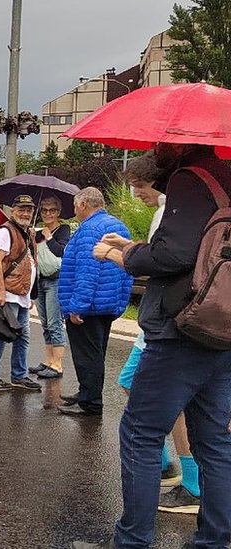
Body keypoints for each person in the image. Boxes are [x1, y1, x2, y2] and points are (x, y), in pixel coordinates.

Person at [74, 145, 231, 549]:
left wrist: (125, 252)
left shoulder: (190, 179)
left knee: (140, 434)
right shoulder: (226, 177)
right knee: (214, 442)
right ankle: (214, 541)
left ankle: (132, 541)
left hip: (182, 333)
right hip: (223, 329)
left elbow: (171, 255)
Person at [113, 152, 198, 512]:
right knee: (131, 383)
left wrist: (122, 256)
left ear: (157, 181)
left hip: (166, 324)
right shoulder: (181, 206)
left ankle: (191, 484)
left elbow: (167, 261)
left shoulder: (172, 210)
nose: (136, 194)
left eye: (139, 187)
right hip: (164, 323)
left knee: (167, 412)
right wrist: (130, 247)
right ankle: (170, 468)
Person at [56, 187, 132, 417]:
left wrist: (77, 306)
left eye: (75, 205)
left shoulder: (90, 229)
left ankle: (90, 402)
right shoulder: (118, 226)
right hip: (108, 304)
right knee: (96, 352)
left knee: (86, 355)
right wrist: (120, 303)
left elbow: (86, 273)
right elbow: (128, 268)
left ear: (84, 204)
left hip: (88, 306)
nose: (74, 209)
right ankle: (86, 392)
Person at [0, 195, 42, 392]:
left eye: (29, 209)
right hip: (9, 292)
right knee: (2, 334)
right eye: (21, 209)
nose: (25, 213)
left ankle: (19, 376)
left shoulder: (27, 233)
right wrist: (1, 290)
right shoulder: (5, 231)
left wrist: (29, 294)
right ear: (12, 210)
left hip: (21, 294)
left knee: (22, 337)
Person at [28, 196, 71, 379]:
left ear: (58, 212)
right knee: (45, 323)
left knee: (55, 323)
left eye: (52, 210)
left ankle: (57, 364)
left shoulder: (63, 229)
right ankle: (48, 360)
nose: (47, 214)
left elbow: (60, 251)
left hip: (56, 280)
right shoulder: (36, 232)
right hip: (40, 280)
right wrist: (31, 238)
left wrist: (49, 237)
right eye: (44, 210)